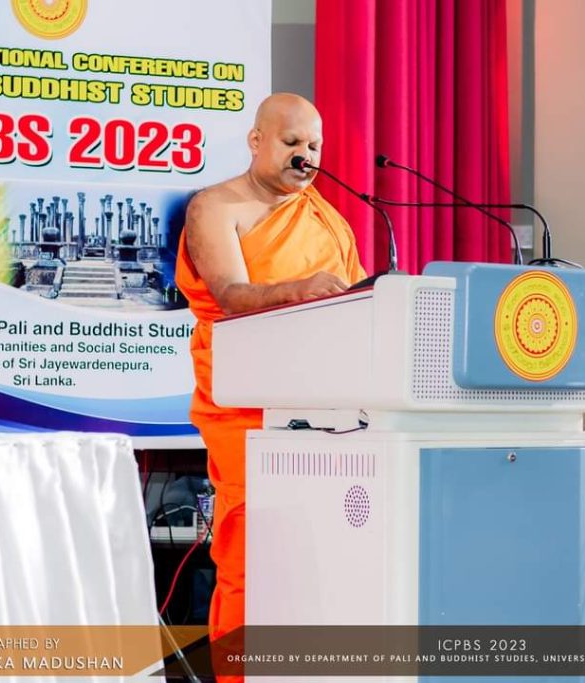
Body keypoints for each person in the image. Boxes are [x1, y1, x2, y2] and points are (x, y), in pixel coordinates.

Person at [175, 93, 367, 649]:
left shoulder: (326, 217)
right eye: (292, 142)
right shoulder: (216, 206)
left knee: (322, 554)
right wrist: (299, 290)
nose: (306, 156)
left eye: (315, 146)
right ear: (256, 141)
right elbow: (232, 295)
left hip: (329, 407)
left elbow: (357, 299)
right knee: (252, 554)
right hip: (246, 407)